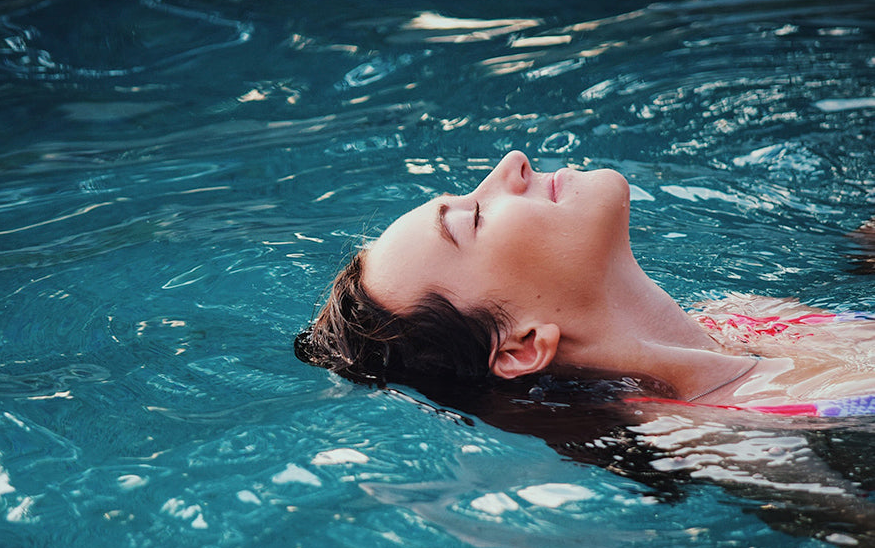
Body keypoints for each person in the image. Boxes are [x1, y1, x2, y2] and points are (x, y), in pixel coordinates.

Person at [295, 151, 875, 417]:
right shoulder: (737, 436)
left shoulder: (743, 314)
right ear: (523, 346)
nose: (512, 164)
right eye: (473, 218)